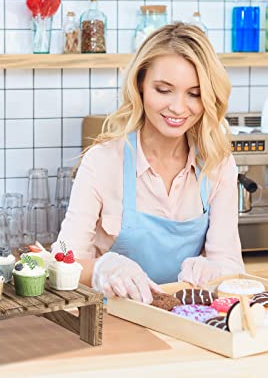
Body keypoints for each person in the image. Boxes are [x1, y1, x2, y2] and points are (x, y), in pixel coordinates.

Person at [54, 22, 244, 304]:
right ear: (140, 85)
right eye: (164, 90)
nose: (178, 108)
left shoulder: (218, 164)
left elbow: (231, 267)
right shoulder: (103, 162)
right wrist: (104, 268)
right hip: (115, 323)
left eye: (194, 94)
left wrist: (216, 270)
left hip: (187, 322)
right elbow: (60, 264)